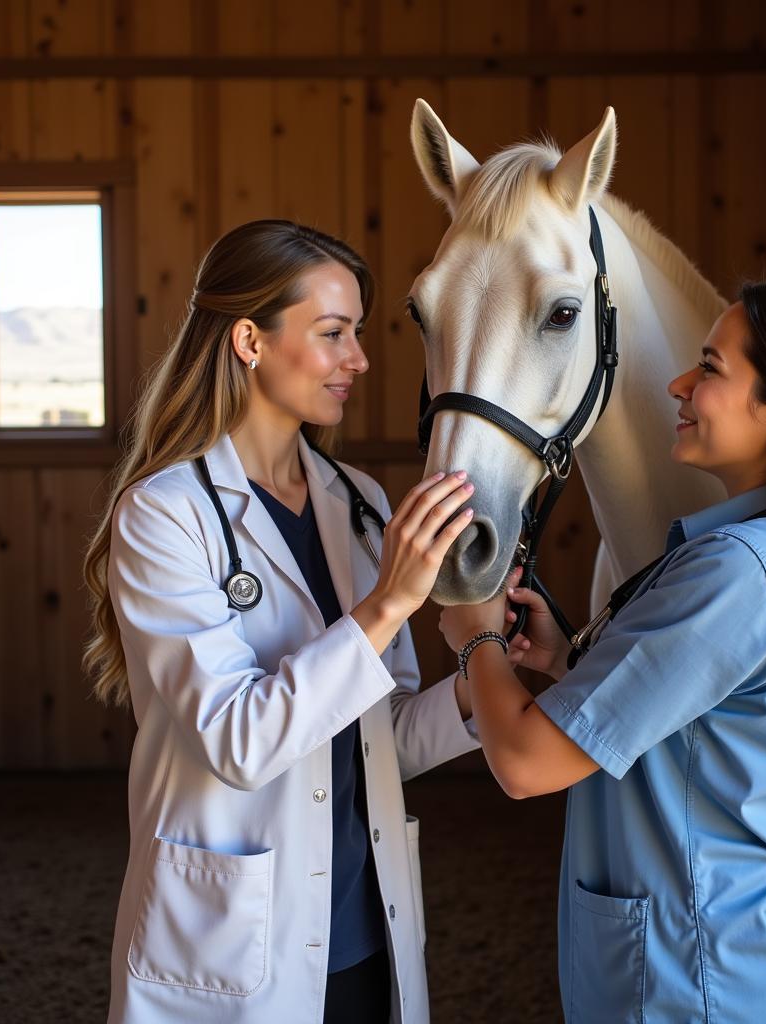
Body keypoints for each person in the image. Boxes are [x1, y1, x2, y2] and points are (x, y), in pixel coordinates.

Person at [439, 278, 766, 1023]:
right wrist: (565, 664)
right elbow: (703, 727)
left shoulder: (741, 572)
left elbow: (523, 764)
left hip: (710, 984)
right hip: (744, 964)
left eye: (710, 368)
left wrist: (473, 632)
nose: (679, 383)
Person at [83, 220, 480, 1024]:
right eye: (333, 333)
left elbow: (384, 740)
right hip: (235, 946)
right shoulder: (163, 516)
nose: (360, 360)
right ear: (249, 341)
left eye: (359, 333)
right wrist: (388, 605)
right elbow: (241, 742)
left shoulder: (361, 503)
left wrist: (484, 685)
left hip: (366, 924)